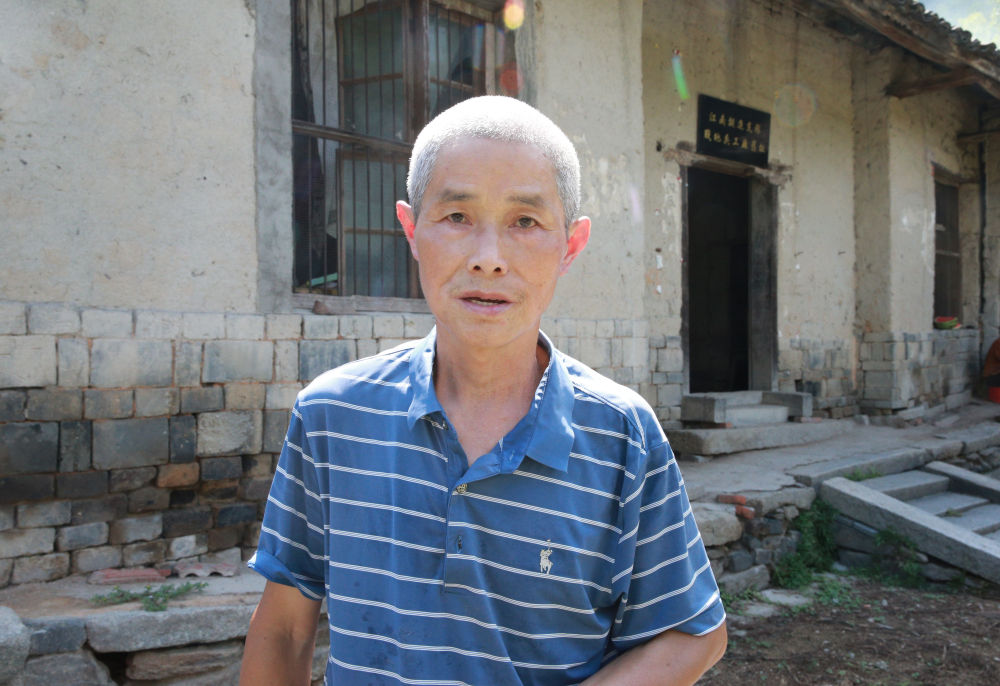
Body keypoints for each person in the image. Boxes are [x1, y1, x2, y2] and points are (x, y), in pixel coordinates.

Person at [239, 96, 727, 685]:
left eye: (525, 222)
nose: (488, 259)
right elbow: (285, 630)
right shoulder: (333, 415)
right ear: (411, 230)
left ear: (570, 245)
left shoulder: (620, 434)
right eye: (457, 217)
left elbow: (691, 632)